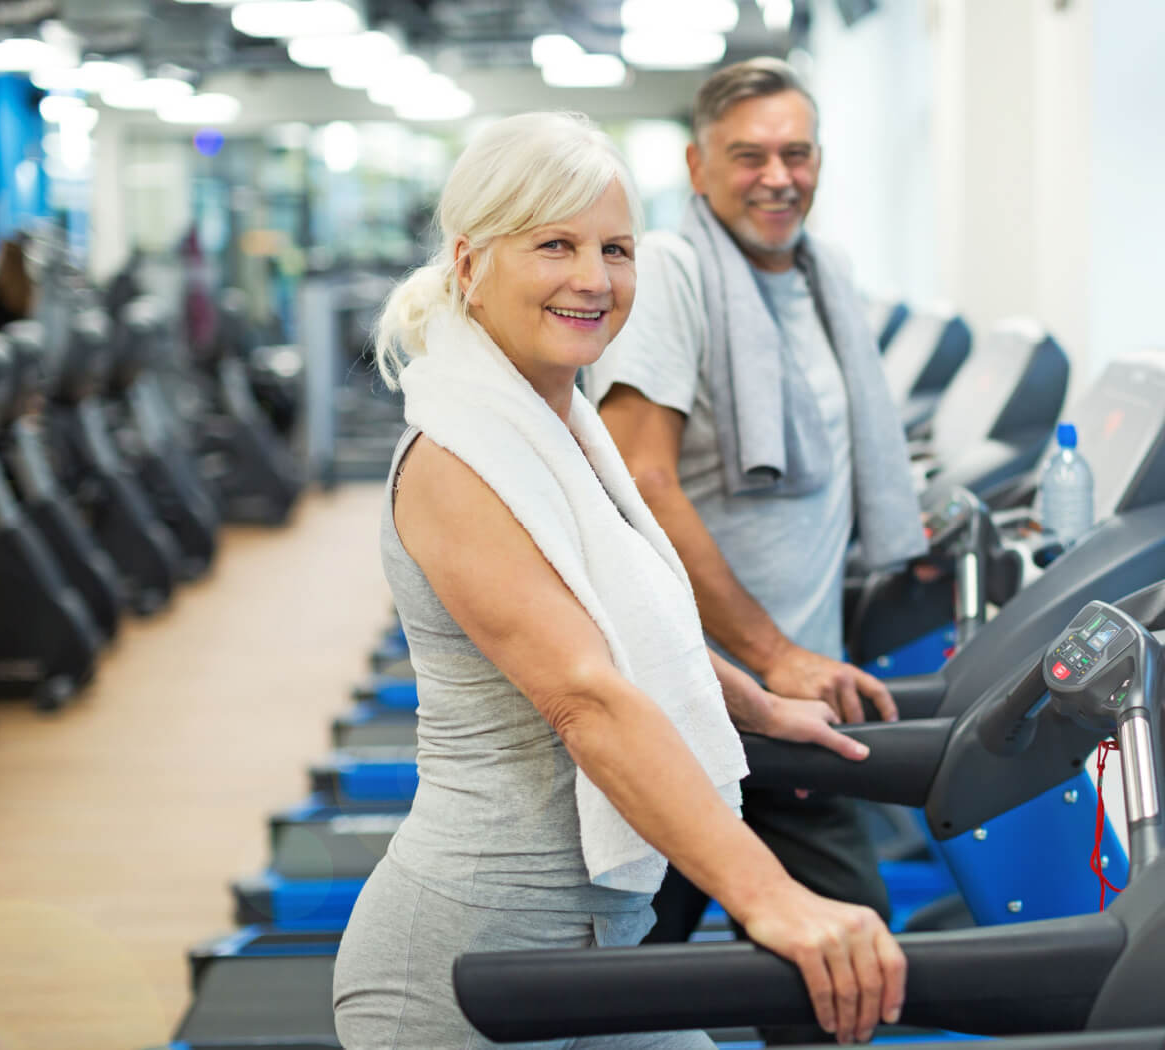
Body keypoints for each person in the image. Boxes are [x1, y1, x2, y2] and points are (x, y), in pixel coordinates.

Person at [331, 111, 905, 1049]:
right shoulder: (457, 457)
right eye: (555, 244)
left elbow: (626, 623)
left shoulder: (558, 425)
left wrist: (753, 707)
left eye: (616, 249)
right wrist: (774, 900)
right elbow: (588, 695)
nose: (594, 279)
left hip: (603, 934)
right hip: (471, 965)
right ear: (471, 263)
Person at [586, 59, 927, 952]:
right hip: (688, 703)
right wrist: (775, 655)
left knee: (839, 956)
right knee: (628, 972)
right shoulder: (672, 269)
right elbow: (640, 481)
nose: (778, 178)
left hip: (784, 710)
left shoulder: (823, 276)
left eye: (796, 153)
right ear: (698, 168)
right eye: (748, 156)